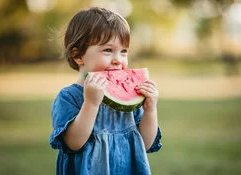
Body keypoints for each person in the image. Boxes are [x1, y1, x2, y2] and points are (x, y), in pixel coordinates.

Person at [49, 7, 162, 175]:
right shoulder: (68, 97)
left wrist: (150, 111)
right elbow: (74, 143)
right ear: (78, 55)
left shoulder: (131, 96)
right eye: (108, 50)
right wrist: (91, 103)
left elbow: (144, 144)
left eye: (124, 51)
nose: (118, 60)